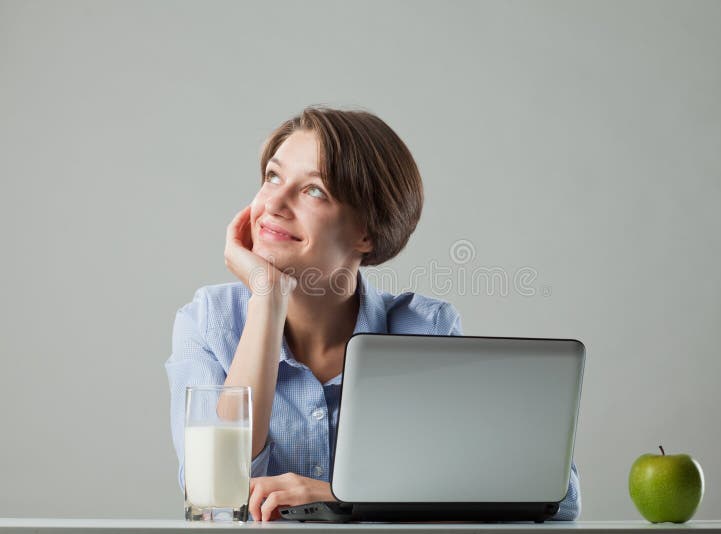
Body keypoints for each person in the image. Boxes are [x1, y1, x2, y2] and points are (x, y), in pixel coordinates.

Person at [165, 106, 581, 522]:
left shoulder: (425, 331)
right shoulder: (208, 322)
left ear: (366, 232)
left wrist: (340, 497)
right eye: (273, 177)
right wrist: (267, 298)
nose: (273, 202)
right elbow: (216, 499)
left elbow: (560, 500)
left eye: (313, 190)